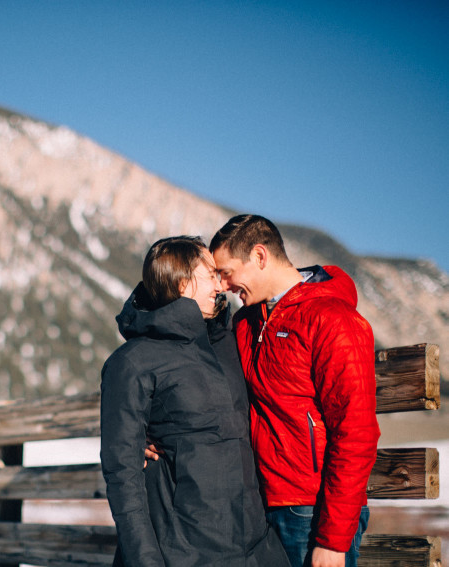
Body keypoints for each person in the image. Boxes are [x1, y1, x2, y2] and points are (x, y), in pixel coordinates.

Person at [100, 236, 288, 567]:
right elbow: (122, 475)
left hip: (255, 547)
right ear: (185, 283)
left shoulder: (226, 342)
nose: (221, 286)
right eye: (212, 275)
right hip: (184, 553)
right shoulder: (132, 362)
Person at [208, 214, 380, 567]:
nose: (223, 284)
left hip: (311, 508)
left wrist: (332, 539)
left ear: (259, 256)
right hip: (258, 506)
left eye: (226, 272)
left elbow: (356, 432)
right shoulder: (245, 323)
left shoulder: (333, 320)